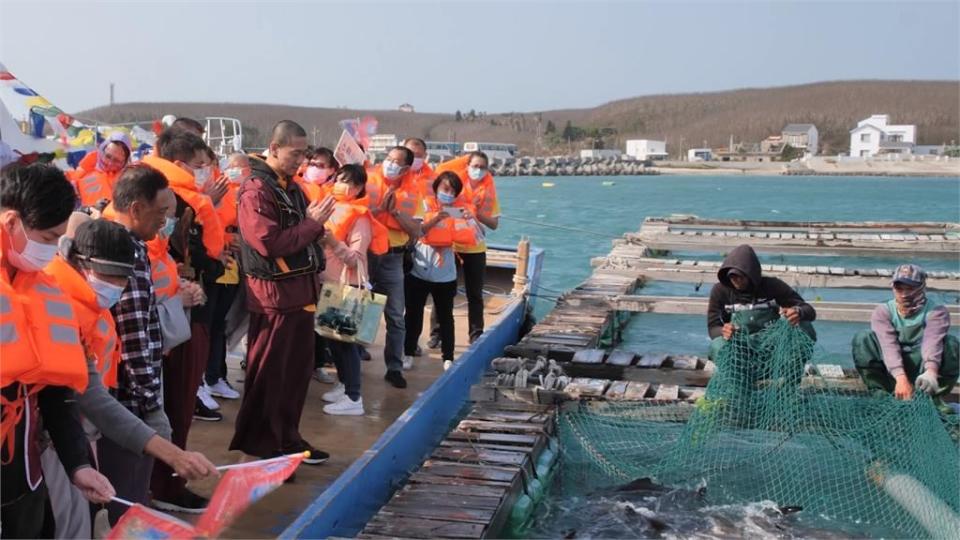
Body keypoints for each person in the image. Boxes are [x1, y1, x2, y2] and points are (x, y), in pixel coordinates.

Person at [43, 215, 217, 538]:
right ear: (80, 263)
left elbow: (89, 386)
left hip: (74, 432)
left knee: (81, 519)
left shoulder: (85, 303)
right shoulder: (56, 305)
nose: (117, 287)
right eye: (110, 276)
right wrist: (169, 451)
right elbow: (89, 395)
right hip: (46, 440)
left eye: (124, 279)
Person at [0, 163, 116, 538]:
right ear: (12, 221)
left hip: (24, 477)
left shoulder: (43, 289)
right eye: (48, 238)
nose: (51, 250)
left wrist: (78, 464)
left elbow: (54, 392)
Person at [231, 120, 334, 464]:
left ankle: (288, 438)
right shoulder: (256, 189)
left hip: (301, 293)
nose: (301, 160)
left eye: (304, 153)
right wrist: (312, 224)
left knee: (295, 374)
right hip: (274, 297)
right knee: (270, 374)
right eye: (295, 153)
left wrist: (314, 226)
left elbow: (304, 231)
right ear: (274, 149)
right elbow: (267, 242)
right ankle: (263, 447)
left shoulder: (289, 187)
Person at [100, 164, 180, 522]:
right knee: (128, 498)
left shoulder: (109, 242)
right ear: (135, 208)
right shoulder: (126, 253)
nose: (164, 222)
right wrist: (151, 405)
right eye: (160, 213)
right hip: (128, 399)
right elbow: (132, 335)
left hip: (114, 393)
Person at [318, 164, 388, 415]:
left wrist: (332, 241)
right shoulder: (330, 208)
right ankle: (345, 383)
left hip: (348, 285)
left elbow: (356, 258)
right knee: (333, 341)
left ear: (358, 188)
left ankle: (354, 397)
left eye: (347, 181)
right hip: (330, 284)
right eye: (338, 178)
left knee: (346, 343)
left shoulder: (360, 217)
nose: (340, 184)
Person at [404, 172, 478, 371]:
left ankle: (448, 356)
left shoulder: (459, 211)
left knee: (446, 316)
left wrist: (471, 220)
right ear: (436, 188)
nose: (448, 194)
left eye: (453, 191)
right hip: (419, 270)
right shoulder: (424, 206)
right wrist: (436, 218)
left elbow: (478, 236)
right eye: (445, 189)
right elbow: (417, 231)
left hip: (445, 273)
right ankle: (408, 352)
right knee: (413, 314)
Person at [852, 264, 959, 401]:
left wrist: (931, 371)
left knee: (951, 343)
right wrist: (900, 378)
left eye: (910, 289)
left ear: (921, 287)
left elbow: (932, 342)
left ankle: (933, 397)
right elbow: (888, 345)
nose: (904, 294)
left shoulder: (937, 312)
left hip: (922, 365)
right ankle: (882, 396)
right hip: (891, 366)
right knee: (863, 338)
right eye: (899, 288)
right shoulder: (883, 311)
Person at [366, 146, 424, 385]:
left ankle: (394, 368)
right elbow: (352, 209)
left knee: (395, 316)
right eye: (388, 159)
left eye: (396, 161)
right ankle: (351, 362)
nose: (389, 164)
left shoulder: (414, 192)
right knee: (359, 309)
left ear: (406, 168)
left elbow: (417, 231)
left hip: (393, 258)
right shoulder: (368, 180)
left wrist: (395, 213)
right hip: (366, 254)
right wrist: (380, 210)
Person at [706, 244, 817, 360]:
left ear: (751, 274)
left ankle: (787, 369)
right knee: (718, 345)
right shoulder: (720, 291)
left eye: (740, 276)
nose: (736, 280)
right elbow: (713, 327)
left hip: (771, 345)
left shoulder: (772, 286)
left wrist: (798, 312)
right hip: (739, 347)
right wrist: (723, 331)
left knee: (804, 326)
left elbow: (809, 311)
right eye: (732, 276)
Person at [434, 151, 501, 344]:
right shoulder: (454, 187)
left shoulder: (489, 192)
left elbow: (494, 224)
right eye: (474, 166)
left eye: (482, 167)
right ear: (467, 165)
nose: (477, 170)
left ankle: (476, 334)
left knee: (475, 294)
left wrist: (476, 213)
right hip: (451, 246)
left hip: (475, 249)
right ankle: (437, 333)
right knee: (443, 291)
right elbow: (439, 206)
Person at [69, 132, 132, 209]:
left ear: (124, 162)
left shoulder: (128, 180)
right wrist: (68, 186)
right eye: (108, 156)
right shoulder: (85, 169)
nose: (110, 163)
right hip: (83, 217)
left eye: (116, 160)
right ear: (102, 150)